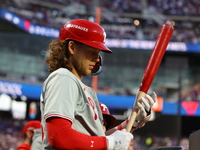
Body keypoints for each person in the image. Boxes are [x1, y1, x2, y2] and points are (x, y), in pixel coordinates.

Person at [40, 19, 156, 150]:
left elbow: (95, 139)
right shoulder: (63, 77)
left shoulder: (77, 85)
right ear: (72, 47)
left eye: (98, 53)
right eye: (91, 52)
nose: (96, 59)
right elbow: (58, 135)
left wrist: (132, 122)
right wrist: (111, 143)